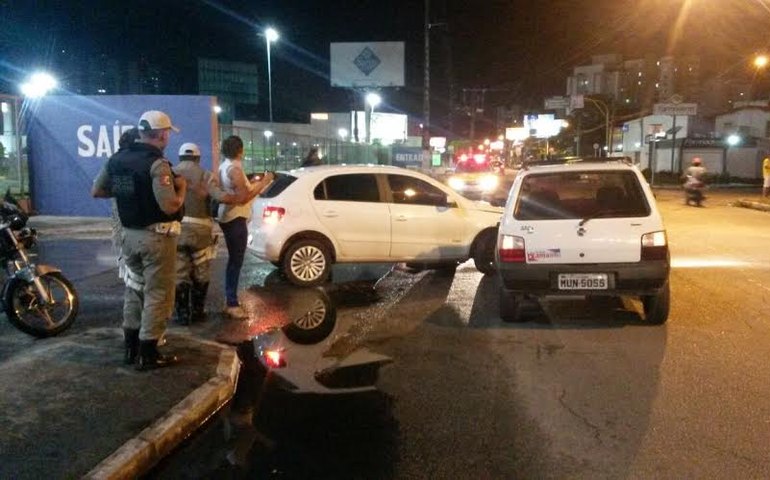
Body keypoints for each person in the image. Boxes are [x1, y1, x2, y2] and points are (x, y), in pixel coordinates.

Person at [91, 110, 186, 371]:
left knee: (134, 288)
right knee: (158, 292)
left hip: (128, 235)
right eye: (167, 133)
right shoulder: (157, 164)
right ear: (163, 134)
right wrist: (182, 189)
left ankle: (130, 347)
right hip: (155, 237)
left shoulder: (117, 159)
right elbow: (169, 206)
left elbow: (97, 190)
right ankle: (149, 352)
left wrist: (128, 192)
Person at [217, 135, 274, 318]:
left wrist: (257, 184)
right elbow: (244, 198)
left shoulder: (224, 165)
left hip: (229, 216)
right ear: (240, 150)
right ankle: (232, 303)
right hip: (235, 218)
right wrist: (264, 182)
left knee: (235, 260)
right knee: (236, 261)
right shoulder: (234, 169)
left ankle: (231, 299)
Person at [172, 142, 228, 325]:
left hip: (176, 230)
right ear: (197, 157)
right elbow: (218, 198)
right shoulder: (206, 175)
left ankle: (181, 314)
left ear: (181, 157)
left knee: (179, 272)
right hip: (201, 232)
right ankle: (197, 311)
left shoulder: (171, 173)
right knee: (201, 271)